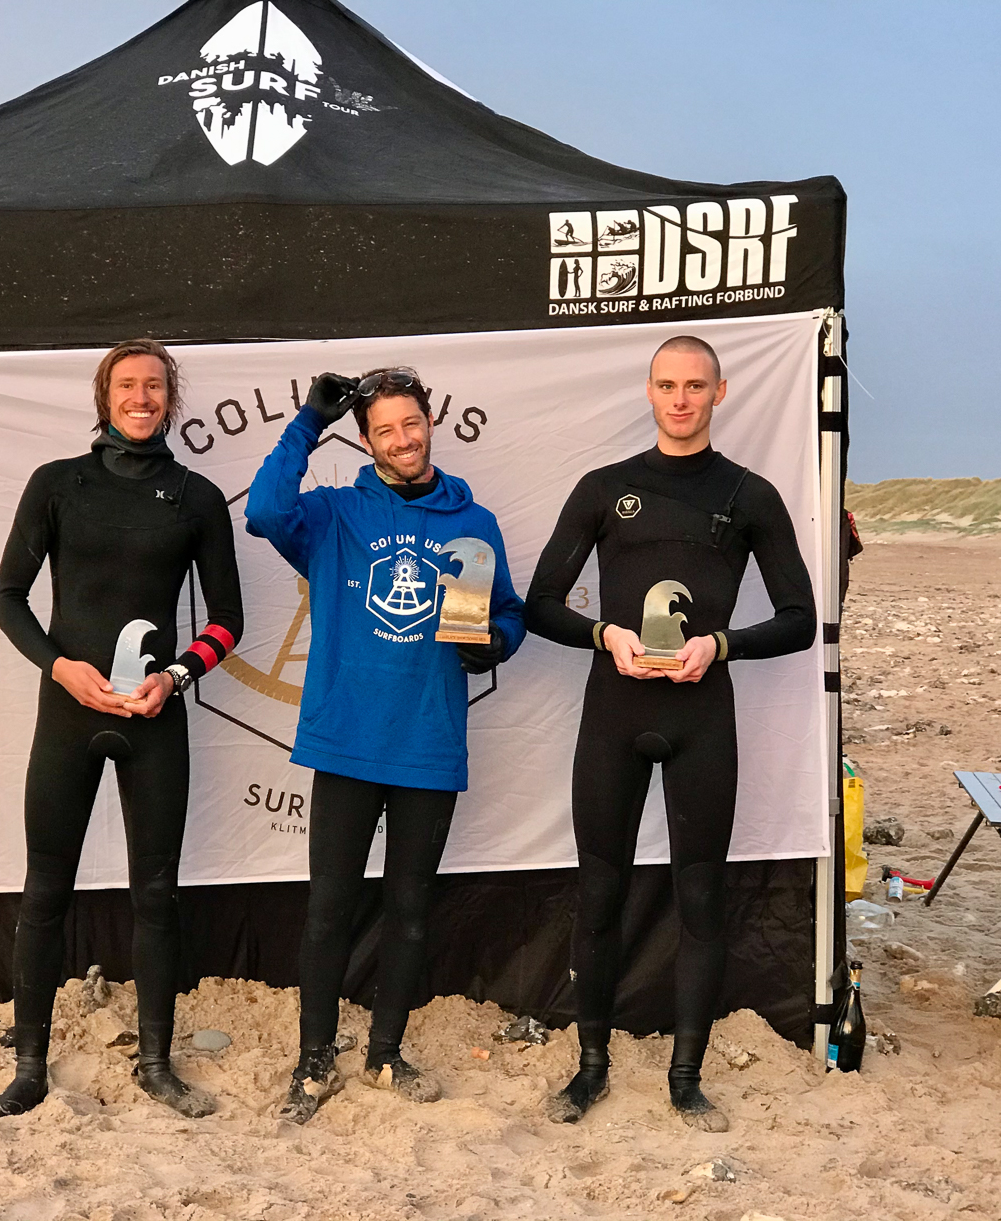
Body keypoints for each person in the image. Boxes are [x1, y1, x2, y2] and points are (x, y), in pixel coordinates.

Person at [524, 335, 816, 1130]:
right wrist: (604, 635)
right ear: (648, 392)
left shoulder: (749, 496)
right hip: (614, 716)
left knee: (700, 897)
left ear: (720, 392)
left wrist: (720, 645)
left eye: (694, 385)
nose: (680, 399)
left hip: (700, 717)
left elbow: (799, 619)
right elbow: (539, 603)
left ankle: (686, 1078)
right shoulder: (604, 488)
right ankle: (590, 1069)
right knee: (599, 890)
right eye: (666, 385)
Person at [245, 367, 526, 1123]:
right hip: (345, 739)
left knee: (409, 911)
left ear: (429, 422)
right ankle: (313, 1059)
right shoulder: (334, 515)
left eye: (411, 423)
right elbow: (264, 510)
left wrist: (495, 644)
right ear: (365, 441)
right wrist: (308, 423)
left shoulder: (473, 523)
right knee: (329, 909)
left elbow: (509, 612)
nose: (403, 440)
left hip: (427, 741)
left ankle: (385, 1054)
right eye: (385, 430)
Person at [0, 338, 244, 1117]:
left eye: (155, 386)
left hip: (152, 718)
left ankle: (157, 1065)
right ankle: (29, 1066)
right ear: (104, 398)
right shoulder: (58, 484)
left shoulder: (196, 497)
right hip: (69, 713)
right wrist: (60, 667)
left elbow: (229, 620)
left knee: (157, 895)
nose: (141, 398)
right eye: (127, 385)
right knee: (45, 890)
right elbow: (7, 598)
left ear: (171, 399)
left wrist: (177, 676)